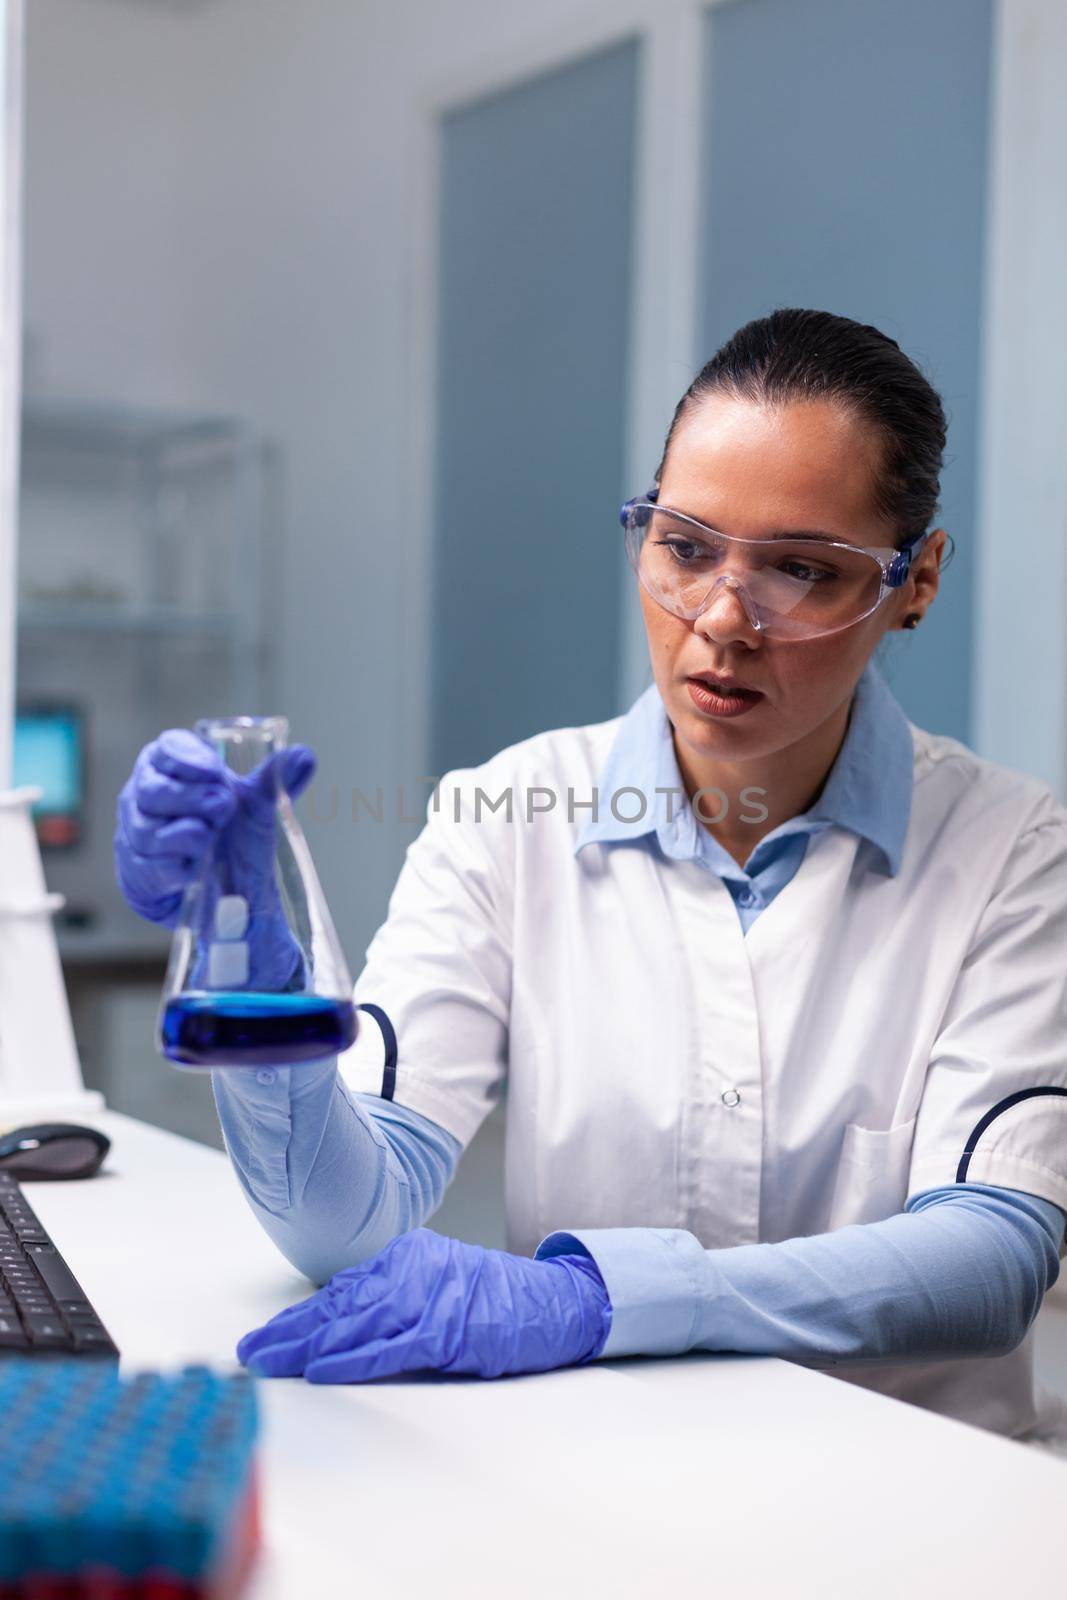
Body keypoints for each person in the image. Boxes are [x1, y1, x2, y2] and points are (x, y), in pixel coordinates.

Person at [115, 309, 1067, 1454]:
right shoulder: (501, 813)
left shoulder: (1017, 849)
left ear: (912, 581)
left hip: (926, 1501)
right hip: (596, 1480)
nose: (721, 619)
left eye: (799, 569)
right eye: (684, 546)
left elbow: (990, 1254)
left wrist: (597, 1297)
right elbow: (346, 1215)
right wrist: (259, 1006)